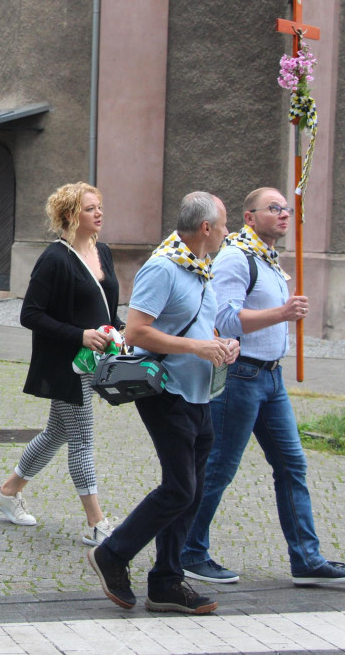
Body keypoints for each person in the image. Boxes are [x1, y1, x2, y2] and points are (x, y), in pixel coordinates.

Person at [180, 188, 345, 586]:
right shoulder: (235, 257)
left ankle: (306, 559)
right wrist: (281, 312)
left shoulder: (269, 259)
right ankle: (189, 551)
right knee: (218, 469)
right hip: (241, 377)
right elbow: (226, 321)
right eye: (274, 209)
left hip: (272, 379)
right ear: (249, 217)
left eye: (287, 209)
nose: (283, 215)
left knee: (292, 464)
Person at [86, 191, 239, 615]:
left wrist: (223, 345)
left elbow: (199, 327)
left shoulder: (200, 268)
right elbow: (135, 333)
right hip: (166, 390)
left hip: (199, 391)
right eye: (225, 224)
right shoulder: (163, 267)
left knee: (193, 490)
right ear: (206, 228)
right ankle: (112, 554)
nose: (229, 232)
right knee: (179, 488)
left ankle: (167, 582)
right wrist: (195, 348)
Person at [0, 183, 123, 545]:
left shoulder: (103, 252)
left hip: (96, 360)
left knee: (57, 433)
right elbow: (30, 314)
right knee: (81, 439)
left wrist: (118, 334)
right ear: (69, 216)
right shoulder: (54, 258)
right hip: (67, 364)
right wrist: (79, 335)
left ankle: (7, 491)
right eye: (91, 208)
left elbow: (107, 308)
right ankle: (96, 523)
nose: (99, 213)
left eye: (100, 207)